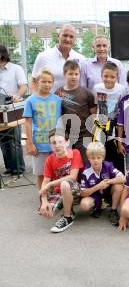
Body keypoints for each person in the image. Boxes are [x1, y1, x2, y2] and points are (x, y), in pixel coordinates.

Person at [38, 129, 84, 233]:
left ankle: (67, 217)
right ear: (50, 145)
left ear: (67, 142)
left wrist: (51, 183)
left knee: (65, 184)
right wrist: (44, 201)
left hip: (75, 188)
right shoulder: (49, 159)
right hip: (58, 191)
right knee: (49, 214)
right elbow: (45, 182)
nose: (57, 145)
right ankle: (69, 208)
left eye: (60, 142)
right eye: (54, 143)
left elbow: (73, 177)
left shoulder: (75, 153)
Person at [23, 68, 62, 188]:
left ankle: (55, 198)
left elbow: (61, 121)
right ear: (37, 82)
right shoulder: (30, 101)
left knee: (57, 173)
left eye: (50, 82)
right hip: (39, 144)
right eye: (43, 81)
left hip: (56, 144)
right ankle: (43, 198)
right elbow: (28, 123)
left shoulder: (57, 100)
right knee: (41, 174)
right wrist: (30, 143)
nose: (47, 84)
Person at [55, 60, 96, 162]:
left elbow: (94, 115)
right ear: (65, 74)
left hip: (84, 137)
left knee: (85, 166)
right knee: (70, 167)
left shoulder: (87, 93)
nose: (74, 76)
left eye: (76, 74)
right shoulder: (58, 93)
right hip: (66, 138)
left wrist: (93, 135)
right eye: (71, 74)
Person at [78, 142, 125, 225]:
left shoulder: (108, 165)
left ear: (103, 158)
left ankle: (113, 211)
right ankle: (97, 207)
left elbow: (123, 178)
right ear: (88, 158)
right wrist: (98, 186)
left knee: (118, 186)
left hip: (107, 191)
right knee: (84, 205)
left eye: (98, 157)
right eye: (92, 158)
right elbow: (82, 193)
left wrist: (108, 181)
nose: (95, 160)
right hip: (94, 194)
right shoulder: (85, 171)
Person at [92, 61, 127, 173]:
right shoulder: (97, 88)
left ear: (117, 77)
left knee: (117, 155)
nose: (109, 79)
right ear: (101, 75)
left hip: (116, 127)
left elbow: (124, 108)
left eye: (112, 76)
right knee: (101, 154)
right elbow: (94, 107)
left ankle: (119, 180)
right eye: (106, 76)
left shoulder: (122, 89)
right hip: (101, 127)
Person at [32, 24, 84, 91]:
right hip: (49, 101)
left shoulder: (81, 58)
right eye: (65, 35)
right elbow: (34, 80)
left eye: (71, 37)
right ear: (58, 36)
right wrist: (37, 99)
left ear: (75, 39)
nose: (68, 39)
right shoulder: (43, 56)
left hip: (73, 101)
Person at [0, 44, 27, 175]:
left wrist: (18, 96)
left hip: (13, 108)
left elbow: (23, 86)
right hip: (1, 108)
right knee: (3, 141)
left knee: (14, 140)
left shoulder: (16, 68)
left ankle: (19, 168)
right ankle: (10, 167)